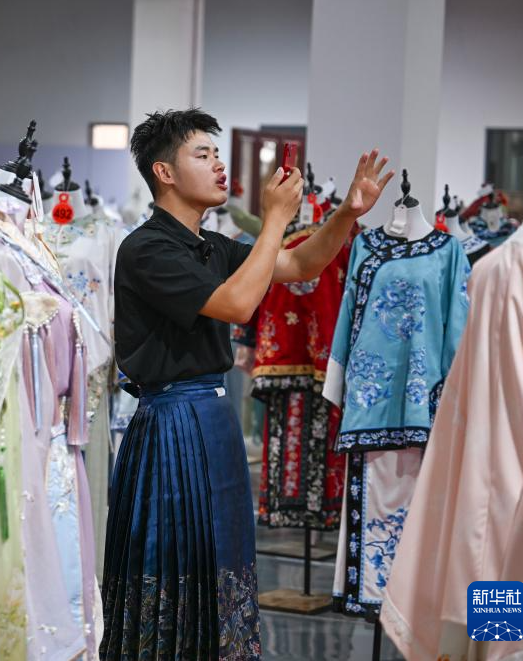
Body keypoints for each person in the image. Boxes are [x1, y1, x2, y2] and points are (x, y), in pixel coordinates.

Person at [101, 108, 394, 660]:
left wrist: (347, 213)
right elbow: (237, 304)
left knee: (224, 560)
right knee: (174, 563)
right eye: (203, 155)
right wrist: (275, 217)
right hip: (170, 424)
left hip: (213, 420)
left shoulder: (212, 246)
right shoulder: (146, 249)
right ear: (164, 172)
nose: (219, 165)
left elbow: (301, 265)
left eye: (217, 154)